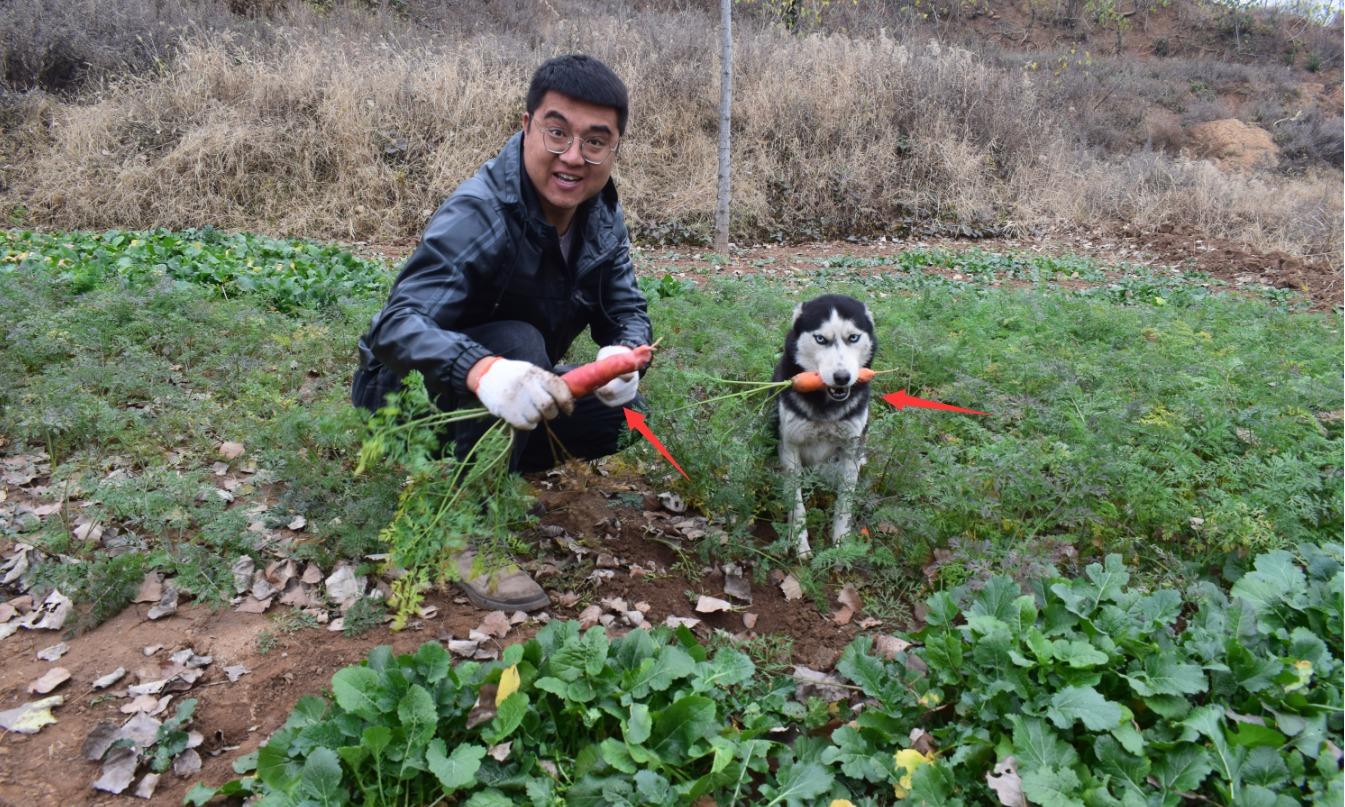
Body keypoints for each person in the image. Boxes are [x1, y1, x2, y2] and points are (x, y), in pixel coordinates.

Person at [351, 54, 652, 612]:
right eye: (557, 133)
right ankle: (467, 531)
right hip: (409, 401)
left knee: (624, 418)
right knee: (519, 342)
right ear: (527, 126)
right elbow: (395, 325)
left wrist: (622, 355)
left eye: (595, 142)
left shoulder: (602, 216)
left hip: (502, 381)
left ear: (613, 148)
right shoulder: (482, 209)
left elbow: (627, 308)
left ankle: (482, 463)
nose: (572, 157)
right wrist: (482, 367)